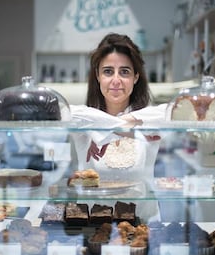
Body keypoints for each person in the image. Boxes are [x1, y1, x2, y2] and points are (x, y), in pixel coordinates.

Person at [70, 33, 166, 222]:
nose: (116, 80)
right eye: (108, 71)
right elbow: (64, 112)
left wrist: (128, 120)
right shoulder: (86, 120)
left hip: (143, 226)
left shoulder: (147, 119)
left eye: (124, 72)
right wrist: (118, 126)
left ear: (136, 77)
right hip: (94, 228)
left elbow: (171, 113)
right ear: (97, 76)